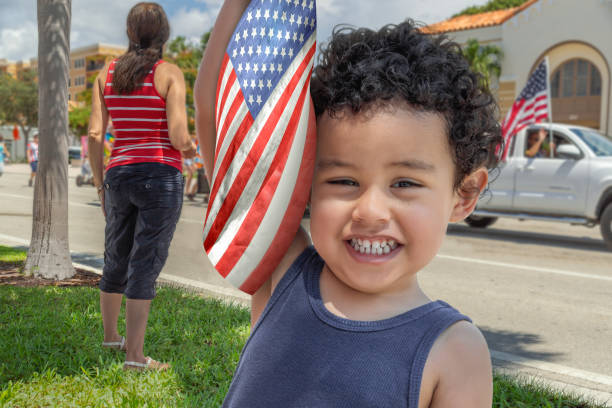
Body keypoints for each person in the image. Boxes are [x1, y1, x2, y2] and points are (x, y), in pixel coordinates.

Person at [195, 2, 500, 407]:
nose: (370, 211)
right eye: (343, 180)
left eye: (405, 183)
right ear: (307, 184)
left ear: (463, 194)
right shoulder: (282, 269)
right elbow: (217, 112)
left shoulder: (457, 353)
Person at [88, 2, 196, 371]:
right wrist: (195, 146)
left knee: (115, 257)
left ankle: (110, 337)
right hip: (160, 174)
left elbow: (94, 134)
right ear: (163, 35)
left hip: (118, 174)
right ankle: (135, 356)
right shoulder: (169, 73)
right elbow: (179, 137)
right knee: (145, 262)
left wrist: (101, 185)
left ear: (130, 34)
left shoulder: (108, 73)